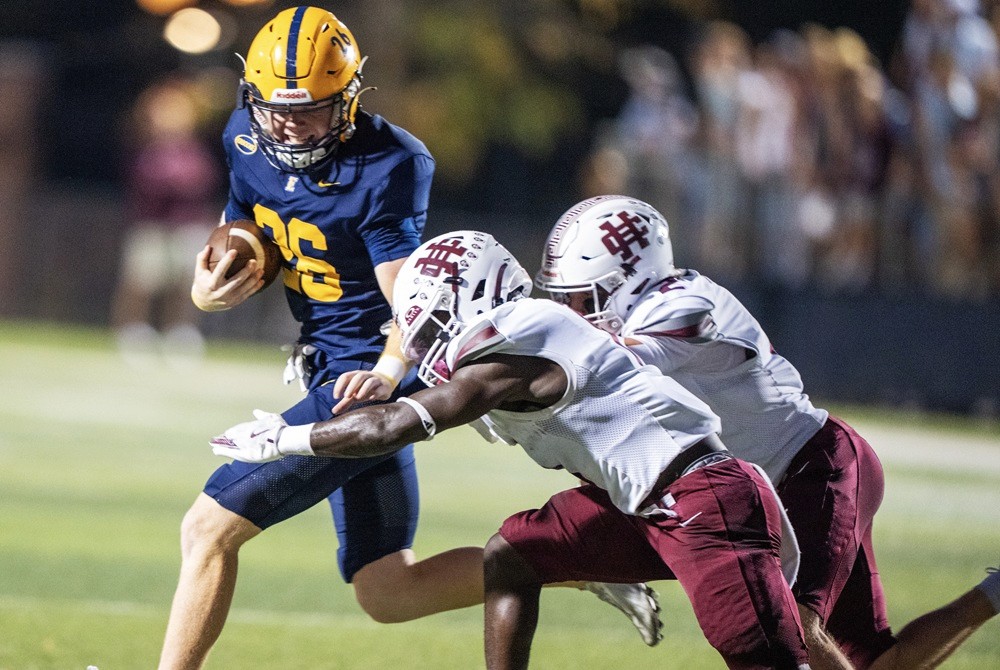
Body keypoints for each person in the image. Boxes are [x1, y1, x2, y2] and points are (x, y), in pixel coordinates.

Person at [159, 9, 658, 669]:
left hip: (369, 370)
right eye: (277, 111)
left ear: (348, 99)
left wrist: (388, 378)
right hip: (329, 364)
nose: (290, 127)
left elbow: (411, 302)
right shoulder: (244, 136)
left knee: (207, 526)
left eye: (310, 111)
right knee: (389, 591)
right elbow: (249, 222)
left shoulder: (388, 162)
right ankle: (575, 562)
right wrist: (218, 277)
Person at [210, 230, 812, 670]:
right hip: (648, 505)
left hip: (701, 502)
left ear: (474, 298)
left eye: (433, 324)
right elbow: (442, 405)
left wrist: (283, 439)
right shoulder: (517, 344)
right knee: (514, 555)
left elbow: (397, 426)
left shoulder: (522, 333)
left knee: (771, 660)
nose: (426, 346)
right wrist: (377, 379)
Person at [534, 194, 1000, 670]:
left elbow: (604, 364)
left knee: (792, 626)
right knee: (882, 663)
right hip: (755, 495)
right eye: (562, 299)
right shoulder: (640, 315)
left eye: (581, 299)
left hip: (813, 469)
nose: (570, 314)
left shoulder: (682, 302)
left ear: (630, 277)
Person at [110, 75, 222, 368]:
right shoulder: (146, 147)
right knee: (142, 282)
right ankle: (133, 331)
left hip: (189, 224)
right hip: (153, 225)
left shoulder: (194, 149)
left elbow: (204, 181)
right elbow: (150, 182)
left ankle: (180, 333)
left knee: (186, 284)